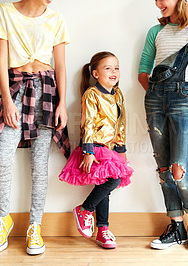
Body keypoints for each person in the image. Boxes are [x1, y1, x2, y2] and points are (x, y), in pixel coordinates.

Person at [0, 0, 70, 255]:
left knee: (39, 164)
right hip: (16, 88)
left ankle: (35, 226)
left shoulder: (56, 18)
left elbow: (61, 66)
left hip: (47, 91)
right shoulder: (5, 12)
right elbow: (1, 61)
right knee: (2, 157)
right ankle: (3, 218)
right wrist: (8, 101)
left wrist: (62, 104)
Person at [138, 0, 188, 251]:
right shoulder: (155, 32)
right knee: (163, 168)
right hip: (155, 100)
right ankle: (176, 226)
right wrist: (156, 94)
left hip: (185, 99)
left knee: (179, 167)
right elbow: (143, 71)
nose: (159, 3)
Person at [59, 51, 133, 249]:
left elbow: (121, 123)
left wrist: (121, 148)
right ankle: (85, 209)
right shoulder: (91, 94)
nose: (114, 72)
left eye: (116, 68)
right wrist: (88, 151)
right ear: (95, 73)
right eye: (108, 68)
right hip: (96, 148)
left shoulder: (118, 94)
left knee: (106, 188)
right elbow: (88, 123)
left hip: (111, 149)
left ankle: (102, 230)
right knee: (113, 180)